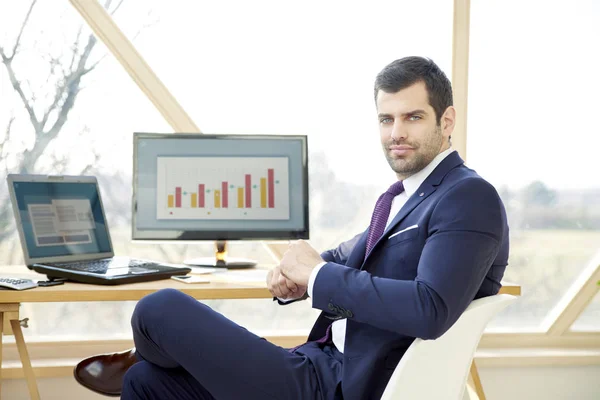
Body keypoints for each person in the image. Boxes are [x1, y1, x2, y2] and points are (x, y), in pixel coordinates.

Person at [74, 56, 509, 400]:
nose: (395, 132)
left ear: (445, 121)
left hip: (341, 386)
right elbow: (352, 254)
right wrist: (296, 271)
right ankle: (154, 357)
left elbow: (428, 308)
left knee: (158, 308)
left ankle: (154, 347)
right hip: (317, 365)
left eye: (412, 117)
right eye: (385, 119)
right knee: (146, 383)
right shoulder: (406, 197)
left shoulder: (466, 197)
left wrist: (318, 276)